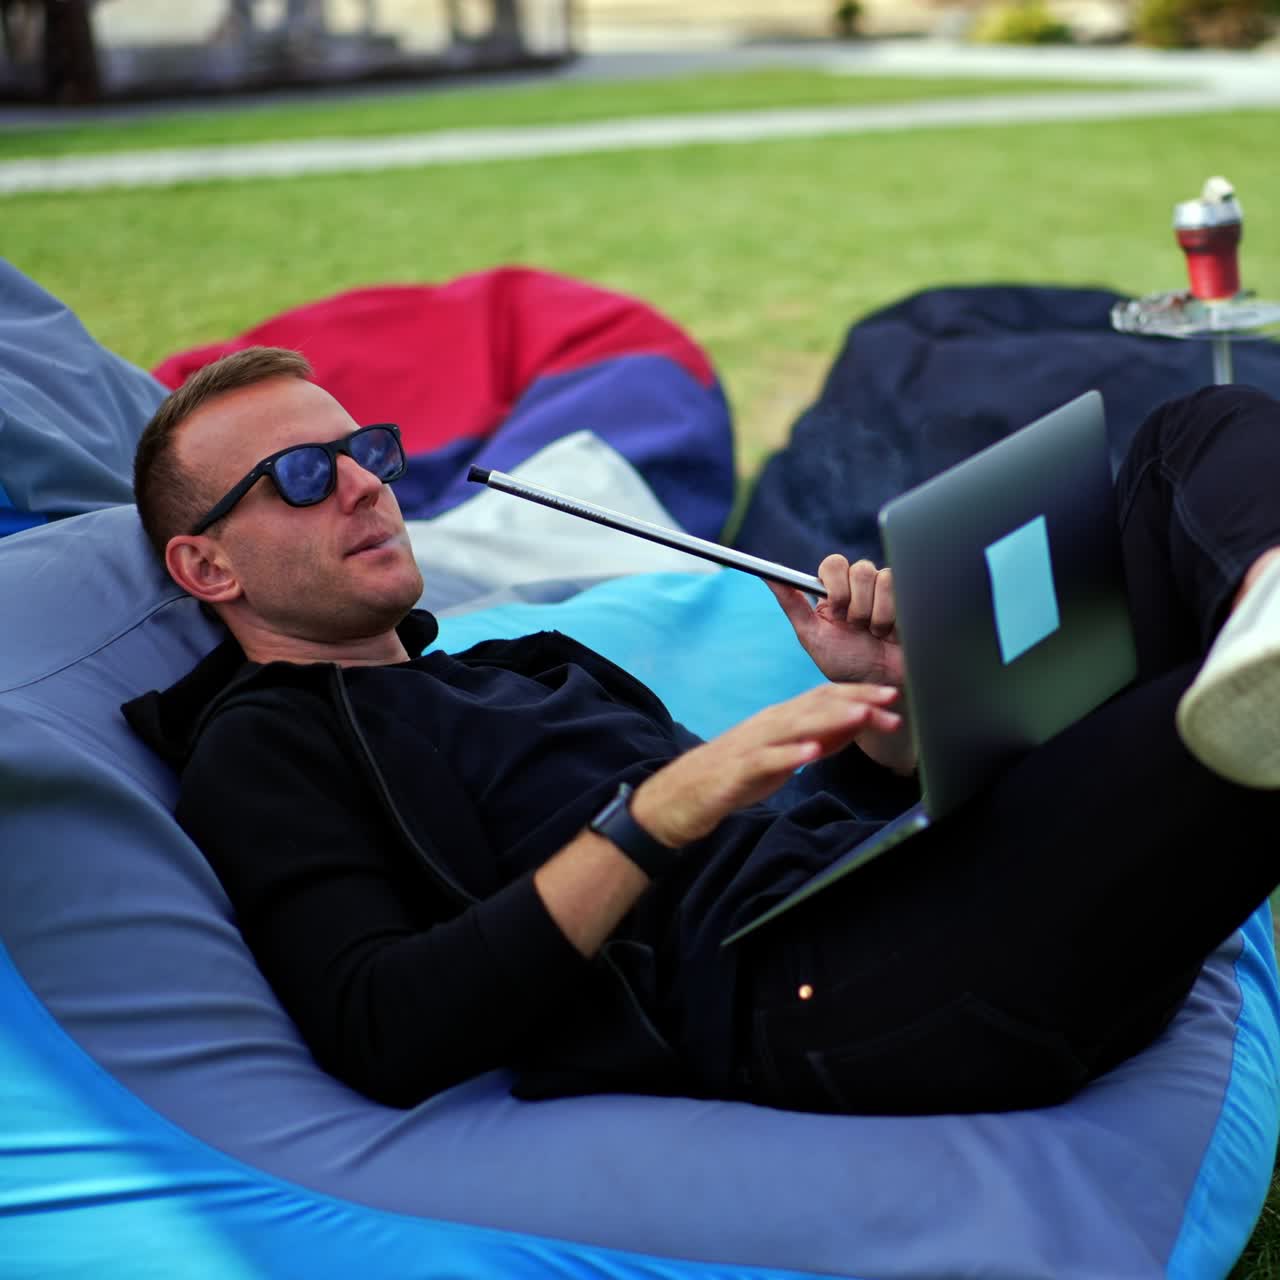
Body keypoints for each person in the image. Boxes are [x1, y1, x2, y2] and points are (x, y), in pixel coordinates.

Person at [124, 346, 1280, 1115]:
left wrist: (892, 713)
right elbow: (382, 1026)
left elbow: (780, 841)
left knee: (1191, 436)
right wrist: (652, 815)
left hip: (894, 889)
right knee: (1198, 721)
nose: (366, 486)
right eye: (302, 474)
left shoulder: (524, 664)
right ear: (206, 564)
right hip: (824, 994)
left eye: (367, 452)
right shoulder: (260, 743)